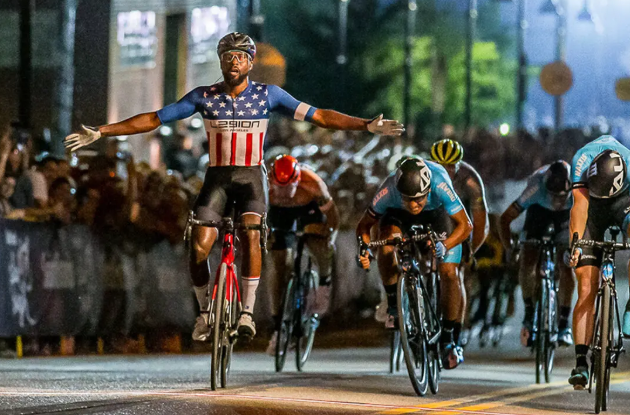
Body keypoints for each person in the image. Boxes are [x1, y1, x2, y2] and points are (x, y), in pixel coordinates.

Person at [66, 32, 403, 341]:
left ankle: (246, 312)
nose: (233, 63)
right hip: (218, 178)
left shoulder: (268, 95)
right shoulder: (204, 97)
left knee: (252, 233)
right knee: (199, 246)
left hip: (251, 178)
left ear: (251, 63)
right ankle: (204, 313)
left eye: (240, 57)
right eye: (227, 57)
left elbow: (320, 116)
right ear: (220, 61)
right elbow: (154, 118)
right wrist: (102, 131)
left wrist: (366, 125)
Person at [356, 156, 473, 369]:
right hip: (398, 216)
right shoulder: (388, 190)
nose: (413, 204)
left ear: (428, 190)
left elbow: (465, 226)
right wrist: (364, 248)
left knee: (448, 272)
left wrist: (445, 245)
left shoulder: (440, 184)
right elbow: (364, 226)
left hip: (436, 214)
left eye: (418, 198)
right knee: (387, 245)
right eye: (408, 198)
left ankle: (448, 336)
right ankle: (394, 304)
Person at [566, 135, 630, 389]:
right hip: (590, 207)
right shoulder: (581, 160)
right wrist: (575, 243)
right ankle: (581, 362)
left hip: (623, 204)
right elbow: (579, 208)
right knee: (585, 288)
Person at [265, 154, 340, 353]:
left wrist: (331, 238)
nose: (282, 192)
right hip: (279, 215)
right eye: (278, 187)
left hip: (309, 210)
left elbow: (332, 214)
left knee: (318, 244)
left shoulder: (313, 183)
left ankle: (323, 282)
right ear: (272, 180)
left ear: (297, 181)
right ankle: (278, 325)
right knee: (280, 263)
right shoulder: (265, 184)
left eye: (287, 187)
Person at [498, 160, 574, 347]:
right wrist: (510, 248)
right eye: (554, 197)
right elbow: (504, 219)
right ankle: (530, 312)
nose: (557, 202)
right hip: (538, 214)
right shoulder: (535, 188)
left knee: (566, 265)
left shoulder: (578, 188)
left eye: (561, 197)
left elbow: (588, 221)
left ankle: (564, 323)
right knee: (528, 262)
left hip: (566, 218)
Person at [428, 138, 488, 334]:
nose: (446, 171)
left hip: (458, 222)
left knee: (456, 272)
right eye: (440, 166)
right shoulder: (424, 173)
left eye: (451, 167)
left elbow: (480, 222)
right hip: (432, 217)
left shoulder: (470, 179)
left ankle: (454, 331)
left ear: (459, 164)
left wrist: (470, 252)